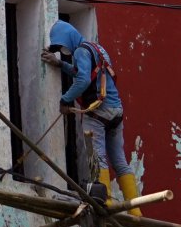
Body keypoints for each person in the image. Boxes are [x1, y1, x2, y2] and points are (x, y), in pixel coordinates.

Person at [41, 19, 142, 215]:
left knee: (98, 158)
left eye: (61, 46)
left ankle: (107, 203)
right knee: (119, 160)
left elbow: (83, 80)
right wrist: (61, 64)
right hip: (116, 111)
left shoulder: (79, 51)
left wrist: (65, 99)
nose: (63, 50)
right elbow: (88, 73)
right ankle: (135, 210)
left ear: (67, 39)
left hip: (97, 111)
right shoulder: (96, 48)